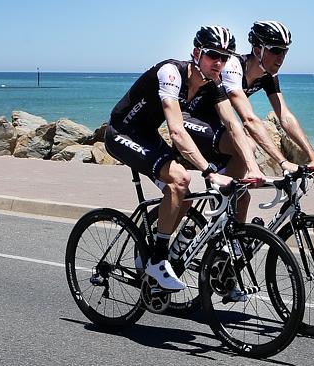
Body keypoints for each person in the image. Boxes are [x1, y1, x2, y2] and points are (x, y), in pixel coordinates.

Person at [104, 26, 264, 292]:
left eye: (225, 58)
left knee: (184, 196)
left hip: (146, 134)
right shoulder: (171, 73)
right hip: (121, 132)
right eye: (214, 55)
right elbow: (176, 131)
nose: (219, 63)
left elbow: (233, 124)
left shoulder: (212, 84)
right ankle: (157, 260)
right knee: (180, 179)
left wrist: (252, 166)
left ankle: (157, 250)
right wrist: (209, 170)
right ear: (196, 53)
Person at [220, 20, 314, 174]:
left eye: (285, 51)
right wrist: (283, 162)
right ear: (257, 51)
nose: (281, 57)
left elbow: (285, 116)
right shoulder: (232, 66)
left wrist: (313, 157)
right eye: (276, 50)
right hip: (196, 120)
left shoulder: (268, 75)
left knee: (242, 198)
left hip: (219, 123)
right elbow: (249, 119)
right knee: (248, 145)